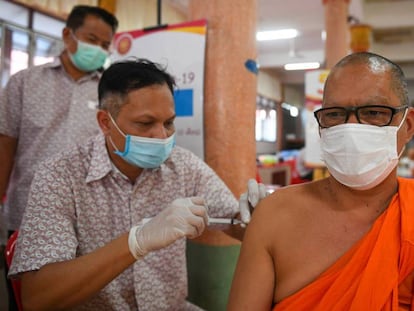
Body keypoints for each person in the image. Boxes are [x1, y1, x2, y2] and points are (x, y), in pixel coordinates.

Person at [8, 58, 262, 310]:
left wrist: (258, 215)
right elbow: (37, 298)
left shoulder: (182, 165)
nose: (162, 136)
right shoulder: (60, 175)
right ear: (106, 123)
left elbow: (236, 222)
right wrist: (136, 241)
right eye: (145, 123)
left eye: (169, 122)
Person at [227, 51, 414, 310]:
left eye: (373, 112)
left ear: (409, 125)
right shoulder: (274, 216)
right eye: (335, 114)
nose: (351, 128)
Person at [0, 5, 118, 235]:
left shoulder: (110, 93)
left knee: (84, 271)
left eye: (105, 45)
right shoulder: (24, 82)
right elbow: (5, 146)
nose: (98, 49)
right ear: (68, 35)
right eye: (91, 39)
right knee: (24, 271)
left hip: (89, 215)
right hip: (28, 209)